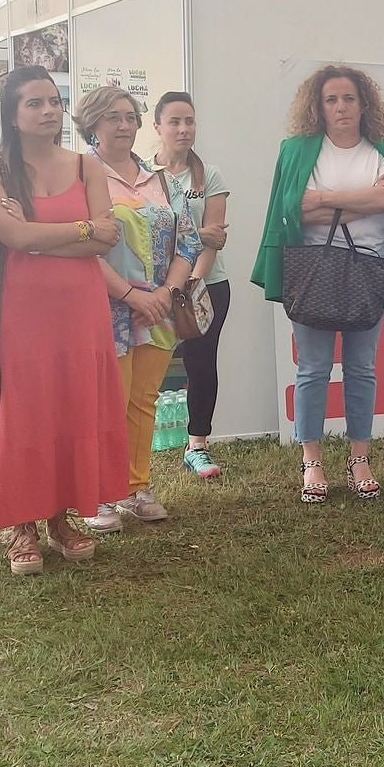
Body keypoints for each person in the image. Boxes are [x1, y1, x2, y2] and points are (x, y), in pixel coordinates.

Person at [0, 66, 128, 573]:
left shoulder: (87, 165)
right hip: (21, 313)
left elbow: (108, 237)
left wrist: (50, 236)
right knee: (26, 410)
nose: (48, 112)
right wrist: (80, 234)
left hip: (80, 311)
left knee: (72, 404)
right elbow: (13, 239)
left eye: (53, 102)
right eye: (34, 104)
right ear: (13, 116)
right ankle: (21, 523)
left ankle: (60, 517)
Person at [251, 65, 384, 504]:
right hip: (314, 271)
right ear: (317, 106)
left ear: (364, 104)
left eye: (349, 99)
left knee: (363, 368)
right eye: (331, 100)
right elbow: (293, 211)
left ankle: (360, 458)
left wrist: (324, 199)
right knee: (313, 369)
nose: (341, 107)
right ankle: (312, 461)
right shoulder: (296, 150)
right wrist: (360, 201)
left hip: (370, 270)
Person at [80, 86, 202, 533]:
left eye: (130, 116)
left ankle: (136, 486)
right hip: (107, 312)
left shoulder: (160, 179)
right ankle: (98, 494)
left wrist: (166, 293)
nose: (124, 125)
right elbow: (83, 249)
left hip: (159, 311)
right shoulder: (83, 176)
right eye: (113, 117)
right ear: (92, 123)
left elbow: (188, 240)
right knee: (105, 403)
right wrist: (131, 297)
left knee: (142, 401)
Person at [148, 92, 230, 479]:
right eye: (175, 122)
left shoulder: (208, 175)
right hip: (154, 286)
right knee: (148, 366)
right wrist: (198, 234)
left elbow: (214, 242)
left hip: (205, 284)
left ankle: (197, 445)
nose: (184, 130)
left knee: (201, 362)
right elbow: (149, 235)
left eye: (190, 121)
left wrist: (191, 283)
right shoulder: (144, 175)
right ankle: (137, 445)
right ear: (157, 127)